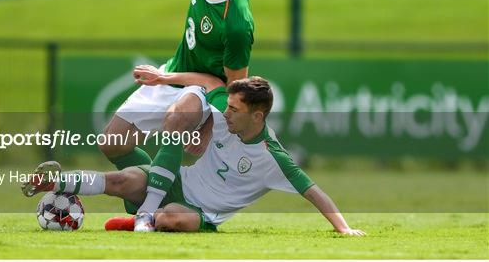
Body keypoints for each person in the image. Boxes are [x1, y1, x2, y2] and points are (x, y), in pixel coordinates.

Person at [22, 76, 365, 236]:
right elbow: (209, 86)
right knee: (123, 180)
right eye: (226, 106)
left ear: (257, 117)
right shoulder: (221, 119)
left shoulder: (273, 157)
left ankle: (140, 219)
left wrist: (344, 229)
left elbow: (314, 191)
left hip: (200, 212)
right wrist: (173, 87)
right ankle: (53, 181)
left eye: (234, 109)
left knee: (173, 219)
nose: (225, 113)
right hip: (175, 180)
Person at [99, 0, 255, 229]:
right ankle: (166, 192)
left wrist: (209, 126)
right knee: (112, 142)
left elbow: (235, 88)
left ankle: (147, 212)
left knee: (176, 118)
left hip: (202, 87)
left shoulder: (236, 26)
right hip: (173, 72)